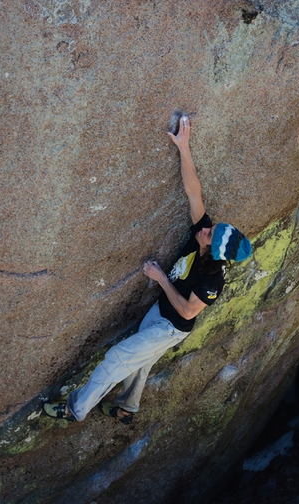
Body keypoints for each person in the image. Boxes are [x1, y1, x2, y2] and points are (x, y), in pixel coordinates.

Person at [43, 115, 252, 424]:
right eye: (212, 228)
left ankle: (76, 409)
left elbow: (187, 311)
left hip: (169, 326)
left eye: (210, 234)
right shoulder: (204, 236)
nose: (206, 229)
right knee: (140, 365)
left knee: (118, 359)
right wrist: (184, 147)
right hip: (160, 312)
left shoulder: (212, 280)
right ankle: (127, 409)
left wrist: (161, 279)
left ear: (216, 250)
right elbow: (194, 192)